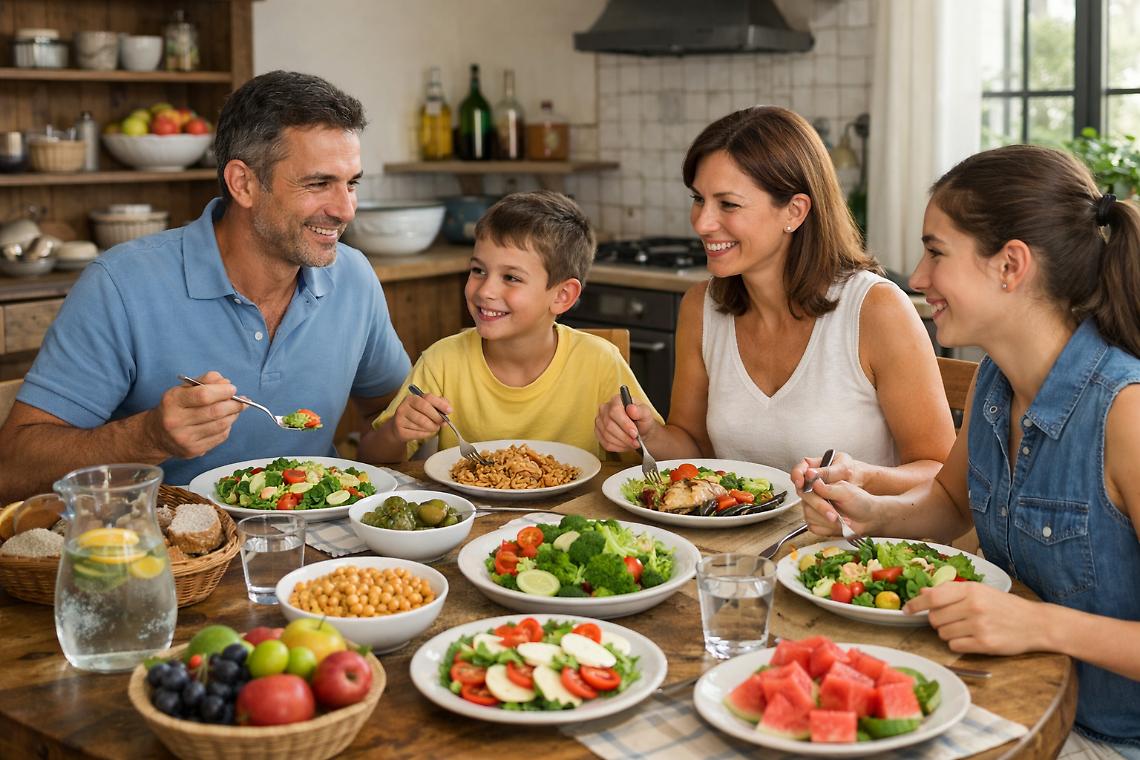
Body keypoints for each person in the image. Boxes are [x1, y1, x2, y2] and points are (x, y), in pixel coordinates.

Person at [801, 144, 1140, 755]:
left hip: (1104, 740)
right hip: (1001, 695)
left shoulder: (1126, 412)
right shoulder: (994, 377)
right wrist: (865, 512)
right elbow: (952, 504)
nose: (917, 276)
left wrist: (1037, 624)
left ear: (1010, 265)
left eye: (936, 251)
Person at [0, 70, 411, 498]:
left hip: (318, 549)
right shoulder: (120, 285)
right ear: (243, 183)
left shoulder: (353, 277)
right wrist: (148, 437)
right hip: (169, 551)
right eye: (319, 183)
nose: (345, 210)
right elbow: (10, 467)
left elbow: (391, 414)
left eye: (352, 184)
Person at [595, 106, 954, 494]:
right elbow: (695, 448)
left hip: (848, 550)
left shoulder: (876, 310)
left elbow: (938, 471)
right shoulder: (702, 307)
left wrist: (859, 479)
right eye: (698, 199)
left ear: (795, 211)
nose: (701, 223)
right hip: (735, 551)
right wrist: (647, 433)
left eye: (728, 204)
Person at [361, 190, 658, 463]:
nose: (485, 290)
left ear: (562, 295)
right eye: (478, 270)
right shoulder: (442, 361)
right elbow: (369, 459)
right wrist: (396, 432)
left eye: (511, 278)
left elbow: (660, 460)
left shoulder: (599, 362)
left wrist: (637, 435)